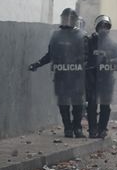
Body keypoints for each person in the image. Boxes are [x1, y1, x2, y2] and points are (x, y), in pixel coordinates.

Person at [29, 7, 87, 138]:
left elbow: (87, 57)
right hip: (61, 75)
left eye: (70, 18)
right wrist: (38, 63)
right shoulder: (56, 36)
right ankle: (67, 127)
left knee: (78, 102)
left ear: (75, 20)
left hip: (77, 76)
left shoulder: (82, 36)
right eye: (65, 18)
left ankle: (77, 127)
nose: (67, 21)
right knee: (63, 102)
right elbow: (50, 55)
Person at [85, 15, 117, 139]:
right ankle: (92, 129)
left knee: (105, 106)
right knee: (91, 104)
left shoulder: (113, 45)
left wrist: (110, 61)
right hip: (92, 78)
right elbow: (81, 55)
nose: (104, 29)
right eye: (101, 26)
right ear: (97, 28)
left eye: (106, 27)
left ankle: (102, 129)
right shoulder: (89, 42)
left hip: (106, 80)